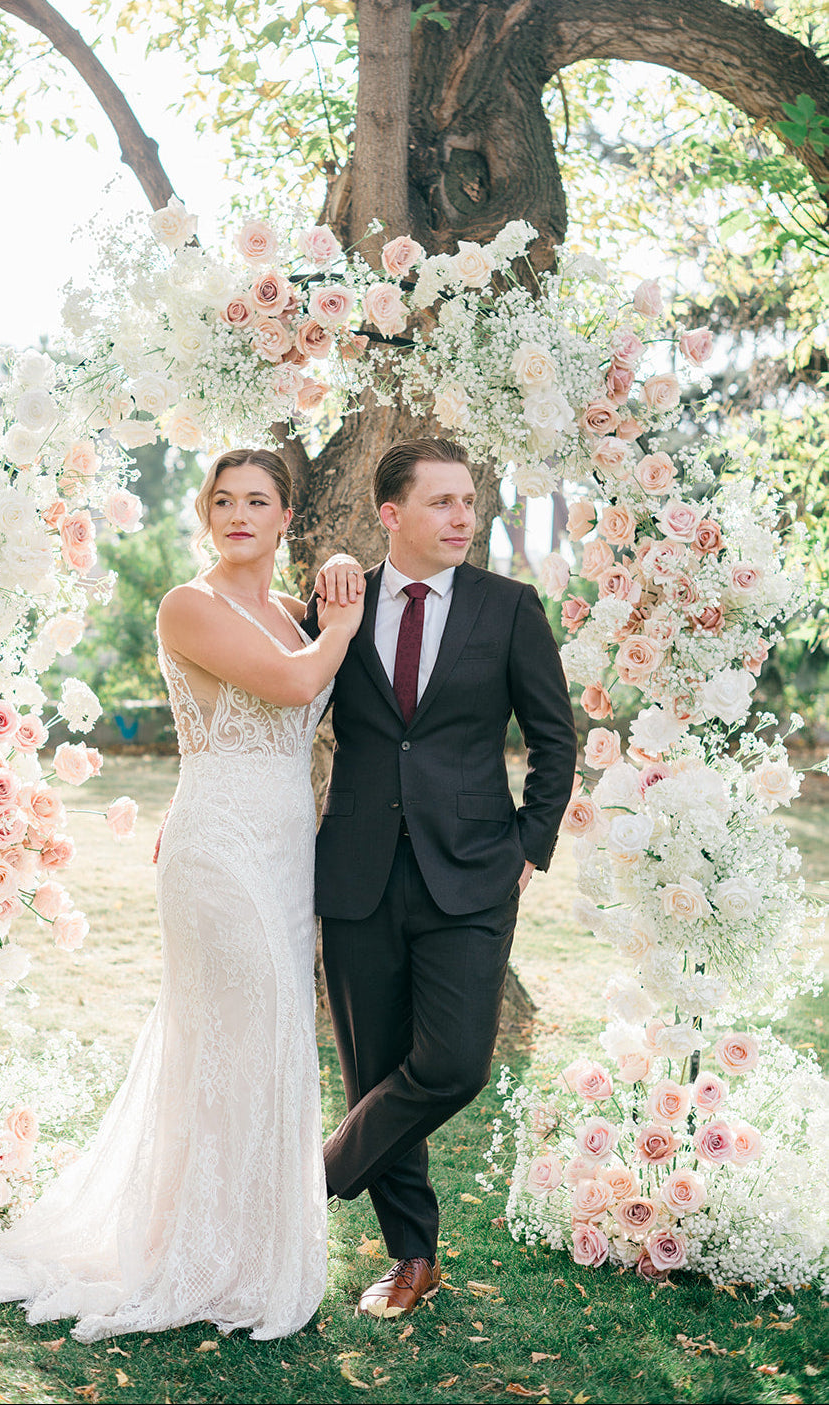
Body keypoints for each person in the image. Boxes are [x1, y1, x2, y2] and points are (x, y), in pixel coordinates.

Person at [0, 447, 364, 1362]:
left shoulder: (294, 612)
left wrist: (326, 600)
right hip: (219, 852)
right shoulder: (190, 605)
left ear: (289, 517)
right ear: (205, 515)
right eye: (223, 499)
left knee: (266, 1034)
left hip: (288, 852)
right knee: (236, 1032)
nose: (239, 513)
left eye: (259, 500)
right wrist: (346, 618)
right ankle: (196, 1255)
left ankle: (242, 1245)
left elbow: (315, 684)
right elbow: (296, 685)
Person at [306, 437, 577, 1319]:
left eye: (470, 502)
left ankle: (318, 1172)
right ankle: (411, 1255)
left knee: (454, 1064)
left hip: (471, 874)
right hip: (357, 871)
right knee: (374, 1066)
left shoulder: (508, 608)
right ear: (393, 515)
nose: (464, 517)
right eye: (443, 503)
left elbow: (553, 736)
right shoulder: (338, 606)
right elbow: (277, 707)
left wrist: (529, 847)